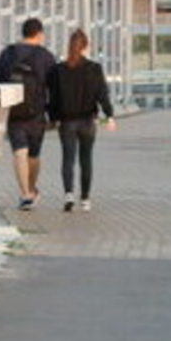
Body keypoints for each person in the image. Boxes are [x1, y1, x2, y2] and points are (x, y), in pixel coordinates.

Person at [46, 28, 117, 212]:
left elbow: (53, 98)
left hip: (66, 122)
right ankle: (85, 199)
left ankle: (69, 194)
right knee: (86, 160)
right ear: (86, 46)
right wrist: (109, 115)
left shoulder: (58, 70)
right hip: (87, 121)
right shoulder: (94, 69)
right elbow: (102, 94)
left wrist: (53, 118)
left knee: (68, 159)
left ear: (69, 46)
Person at [0, 17, 57, 210]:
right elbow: (54, 87)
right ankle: (30, 189)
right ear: (39, 34)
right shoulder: (46, 56)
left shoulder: (8, 53)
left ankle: (25, 194)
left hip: (13, 111)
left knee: (19, 151)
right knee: (34, 155)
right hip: (36, 113)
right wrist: (53, 114)